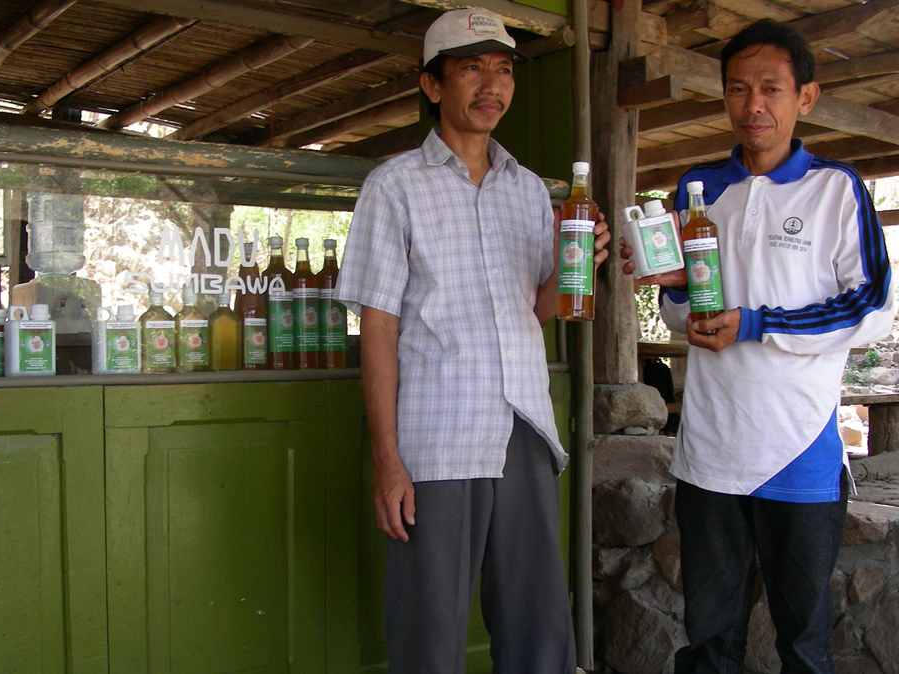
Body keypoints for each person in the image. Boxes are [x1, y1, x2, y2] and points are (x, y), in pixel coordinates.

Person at [335, 8, 610, 673]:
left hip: (523, 432)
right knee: (429, 641)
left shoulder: (529, 191)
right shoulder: (394, 186)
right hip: (437, 441)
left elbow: (537, 310)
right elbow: (378, 328)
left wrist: (579, 261)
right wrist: (387, 462)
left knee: (540, 634)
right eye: (471, 69)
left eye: (503, 69)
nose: (492, 85)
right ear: (433, 85)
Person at [620, 19, 896, 674]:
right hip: (711, 452)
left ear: (806, 96)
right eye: (738, 89)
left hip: (799, 450)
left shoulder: (835, 190)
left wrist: (756, 323)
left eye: (771, 88)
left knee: (803, 642)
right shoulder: (699, 188)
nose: (754, 105)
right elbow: (679, 312)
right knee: (709, 642)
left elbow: (872, 308)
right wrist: (679, 290)